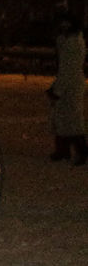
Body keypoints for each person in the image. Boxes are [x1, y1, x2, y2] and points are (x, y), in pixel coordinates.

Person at [48, 11, 87, 165]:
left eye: (66, 22)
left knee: (72, 119)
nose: (63, 25)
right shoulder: (66, 40)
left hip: (71, 83)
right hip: (67, 81)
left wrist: (57, 90)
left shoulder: (73, 42)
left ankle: (81, 151)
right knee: (62, 117)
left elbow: (68, 68)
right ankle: (63, 149)